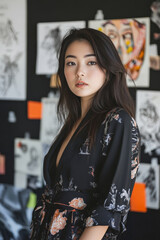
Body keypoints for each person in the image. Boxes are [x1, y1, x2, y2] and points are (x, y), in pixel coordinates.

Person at [30, 28, 140, 240]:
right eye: (71, 63)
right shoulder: (74, 122)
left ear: (108, 68)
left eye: (91, 62)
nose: (79, 72)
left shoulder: (118, 121)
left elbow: (111, 206)